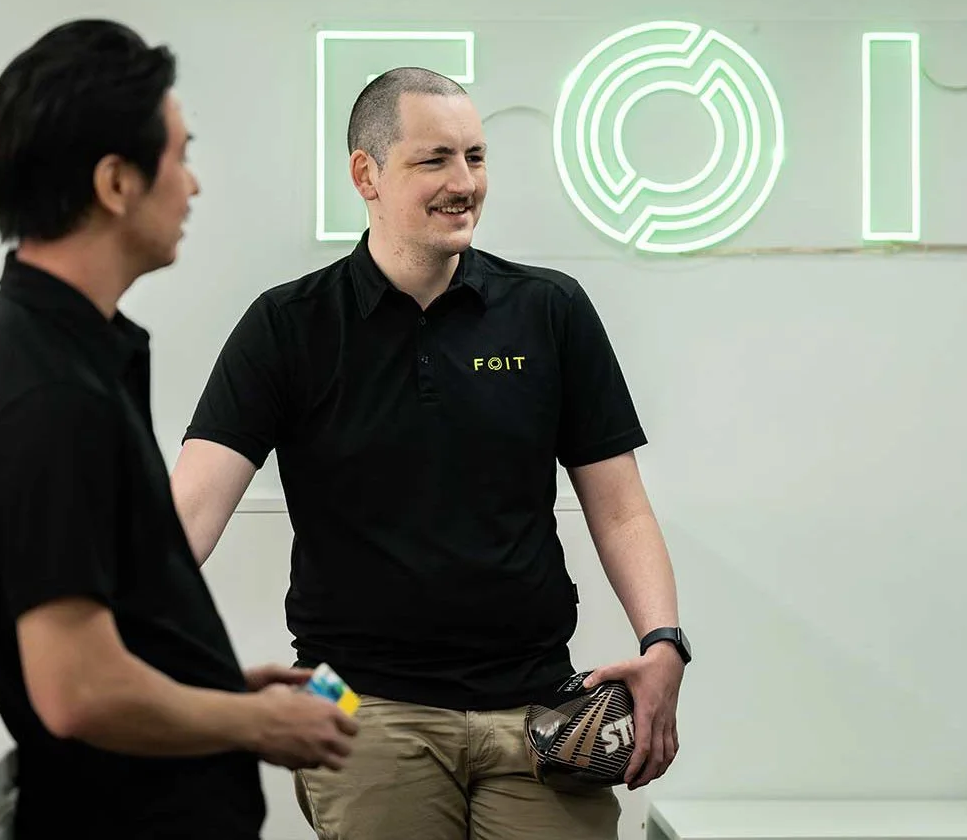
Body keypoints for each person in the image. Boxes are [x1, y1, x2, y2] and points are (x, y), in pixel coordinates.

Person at [173, 66, 688, 840]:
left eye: (476, 157)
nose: (465, 183)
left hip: (538, 700)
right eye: (435, 159)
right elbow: (189, 515)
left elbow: (620, 509)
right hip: (349, 700)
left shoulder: (550, 312)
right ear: (366, 174)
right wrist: (114, 650)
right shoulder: (287, 326)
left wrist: (665, 642)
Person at [0, 20, 356, 839]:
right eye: (181, 154)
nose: (195, 185)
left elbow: (111, 635)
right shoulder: (46, 389)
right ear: (116, 182)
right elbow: (78, 691)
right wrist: (255, 725)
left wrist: (218, 688)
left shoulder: (64, 354)